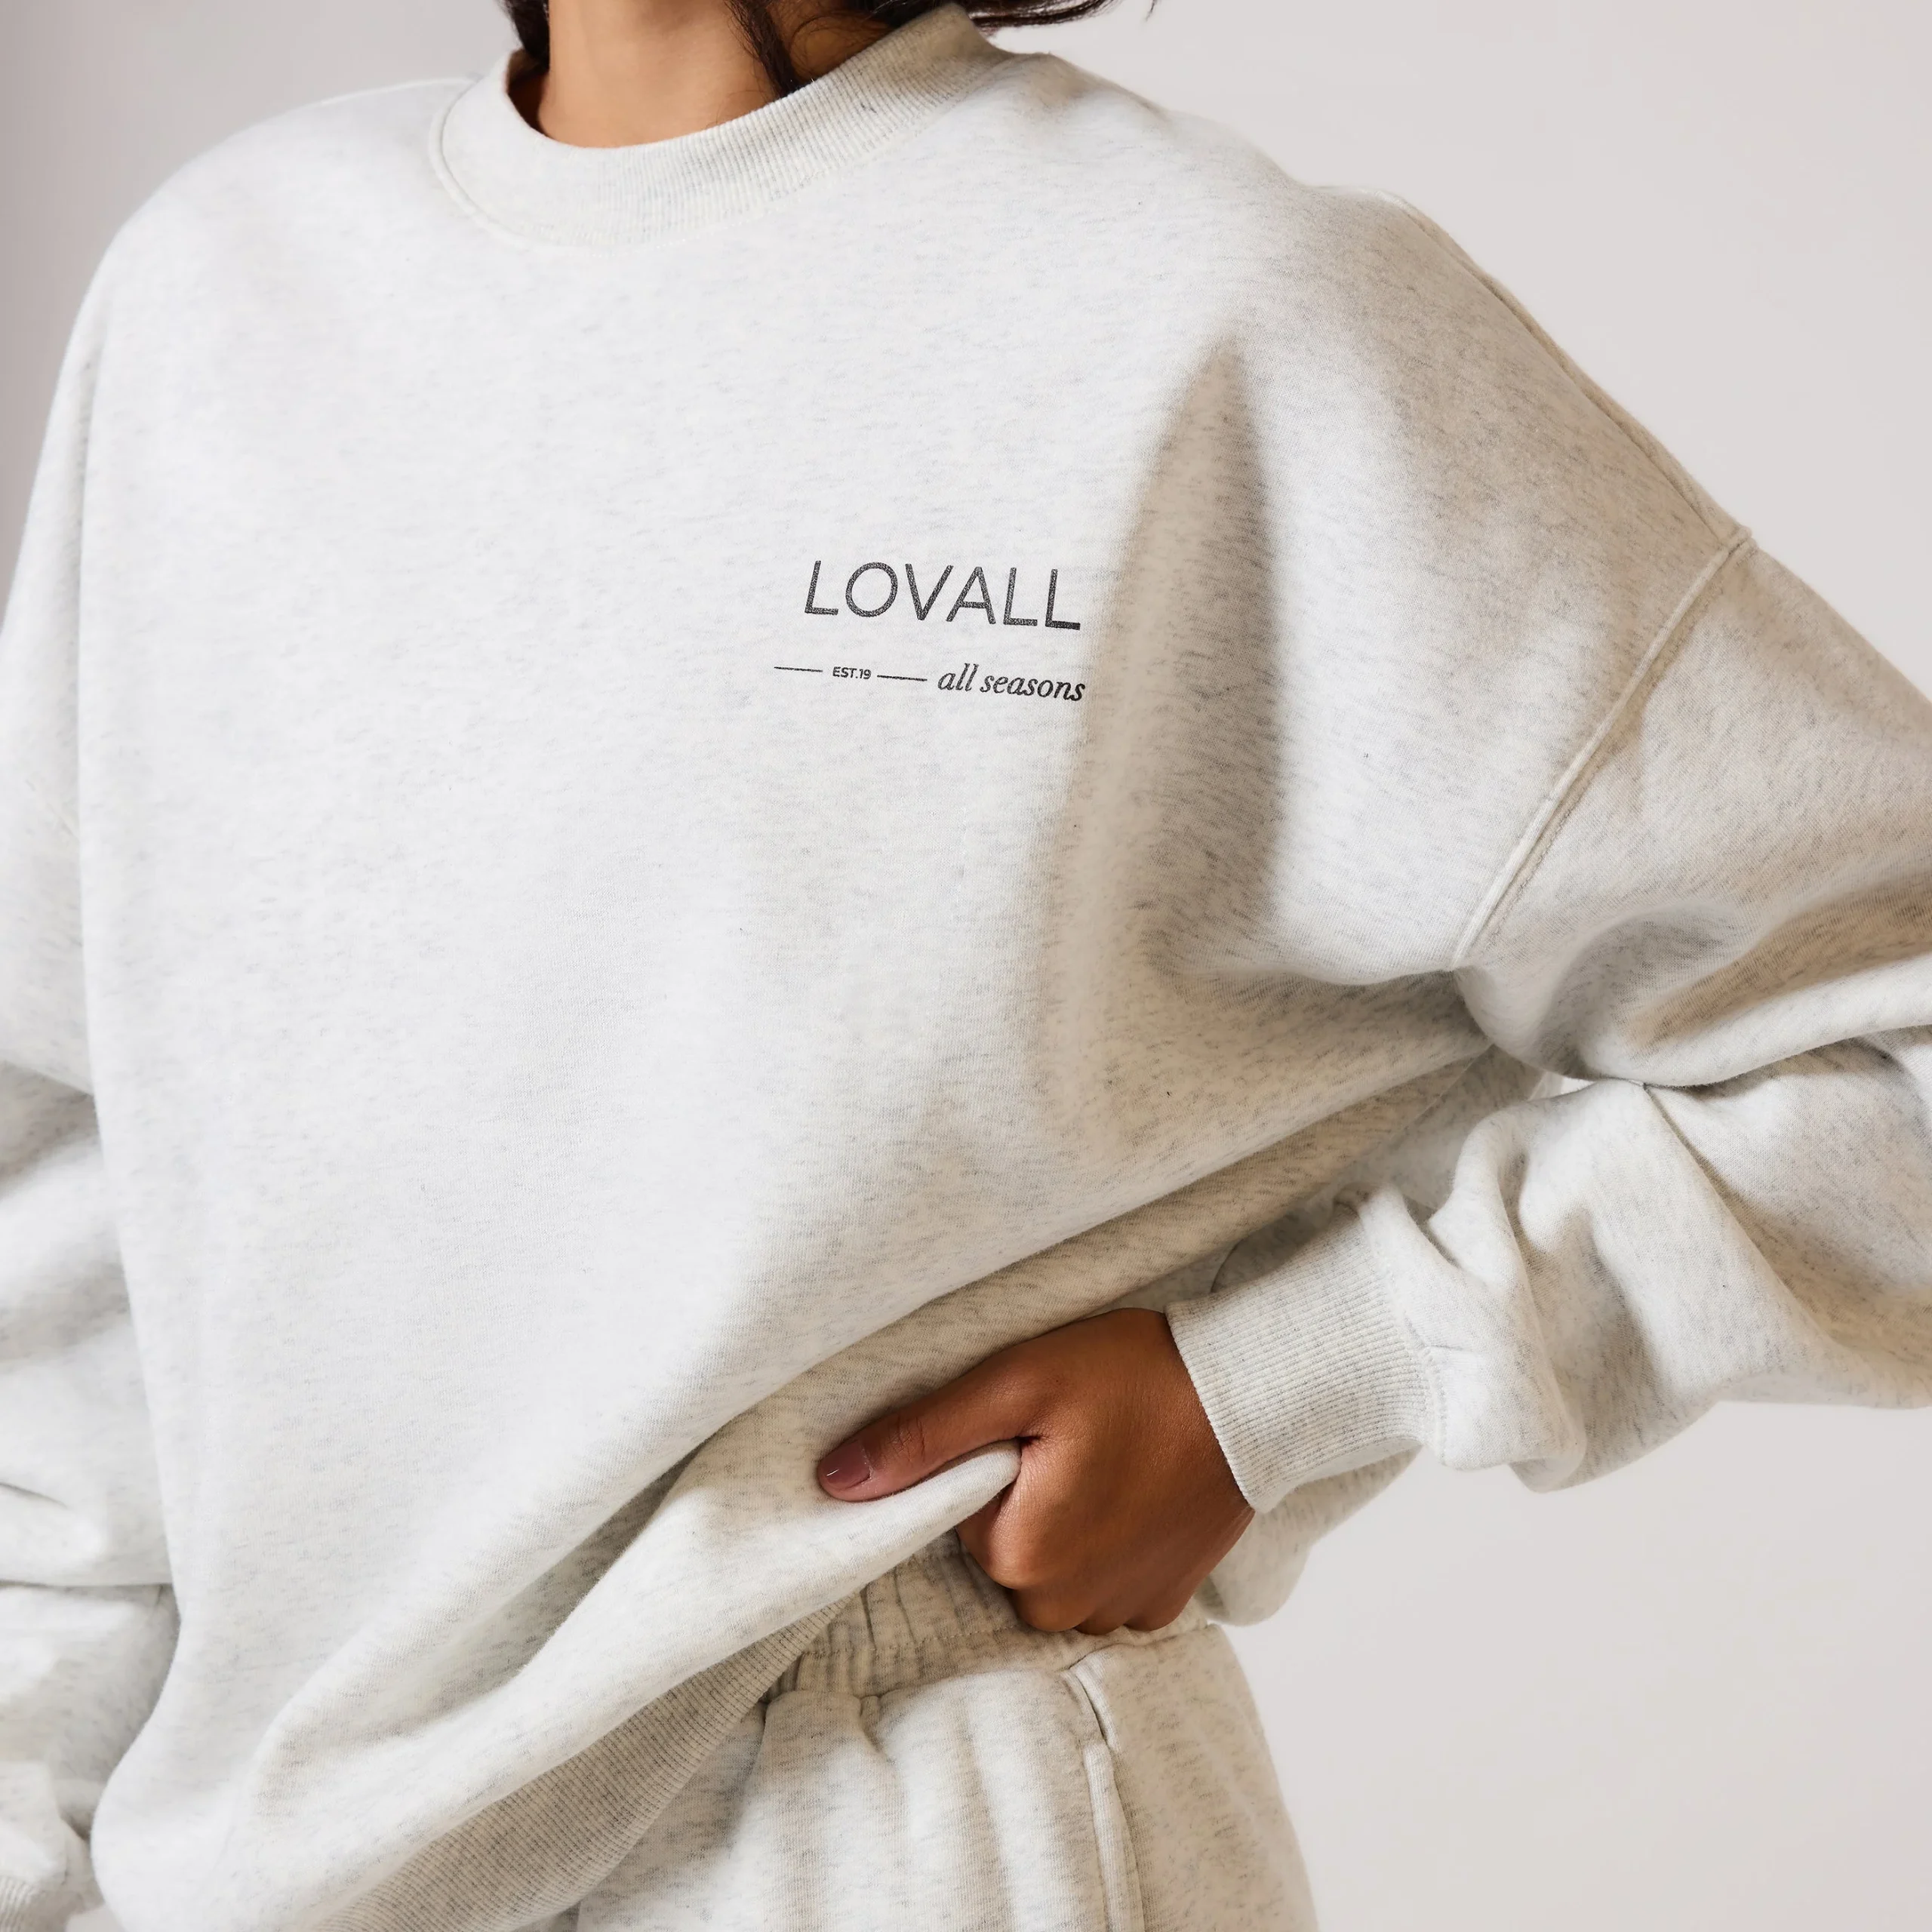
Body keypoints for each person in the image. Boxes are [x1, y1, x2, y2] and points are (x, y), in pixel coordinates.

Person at [2, 0, 1927, 1925]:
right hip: (243, 1871)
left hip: (896, 1822)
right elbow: (72, 1191)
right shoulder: (224, 287)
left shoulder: (1215, 308)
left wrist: (1285, 1381)